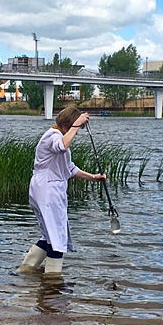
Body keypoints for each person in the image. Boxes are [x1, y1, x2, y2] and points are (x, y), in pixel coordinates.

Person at [19, 107, 106, 275]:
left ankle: (25, 271)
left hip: (44, 188)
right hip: (48, 190)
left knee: (49, 236)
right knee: (57, 238)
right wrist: (76, 125)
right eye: (76, 128)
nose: (77, 133)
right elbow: (62, 146)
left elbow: (69, 168)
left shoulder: (58, 136)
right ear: (69, 124)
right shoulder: (53, 136)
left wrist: (93, 177)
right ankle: (53, 282)